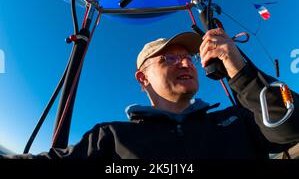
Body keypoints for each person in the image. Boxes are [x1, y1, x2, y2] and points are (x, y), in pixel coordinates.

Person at [1, 29, 299, 159]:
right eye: (168, 58)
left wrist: (240, 70)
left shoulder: (238, 120)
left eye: (188, 57)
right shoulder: (112, 139)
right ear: (143, 77)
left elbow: (289, 129)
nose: (185, 62)